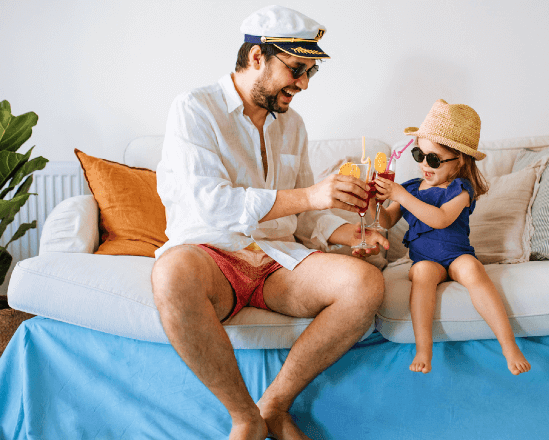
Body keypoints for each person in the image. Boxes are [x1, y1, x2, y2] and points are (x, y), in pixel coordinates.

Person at [150, 6, 388, 440]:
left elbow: (301, 213)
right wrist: (311, 194)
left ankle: (275, 405)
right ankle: (246, 419)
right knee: (170, 274)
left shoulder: (292, 124)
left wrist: (349, 232)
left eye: (310, 73)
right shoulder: (194, 108)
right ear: (257, 57)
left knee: (365, 283)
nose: (303, 84)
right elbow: (210, 205)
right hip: (212, 255)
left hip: (278, 261)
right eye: (296, 69)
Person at [372, 99, 531, 375]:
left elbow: (441, 218)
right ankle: (424, 347)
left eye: (433, 159)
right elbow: (386, 221)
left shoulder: (460, 189)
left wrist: (401, 196)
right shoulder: (410, 188)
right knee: (421, 273)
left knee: (472, 269)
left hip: (456, 255)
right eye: (419, 154)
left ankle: (508, 344)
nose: (424, 164)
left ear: (458, 162)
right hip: (426, 260)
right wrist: (375, 202)